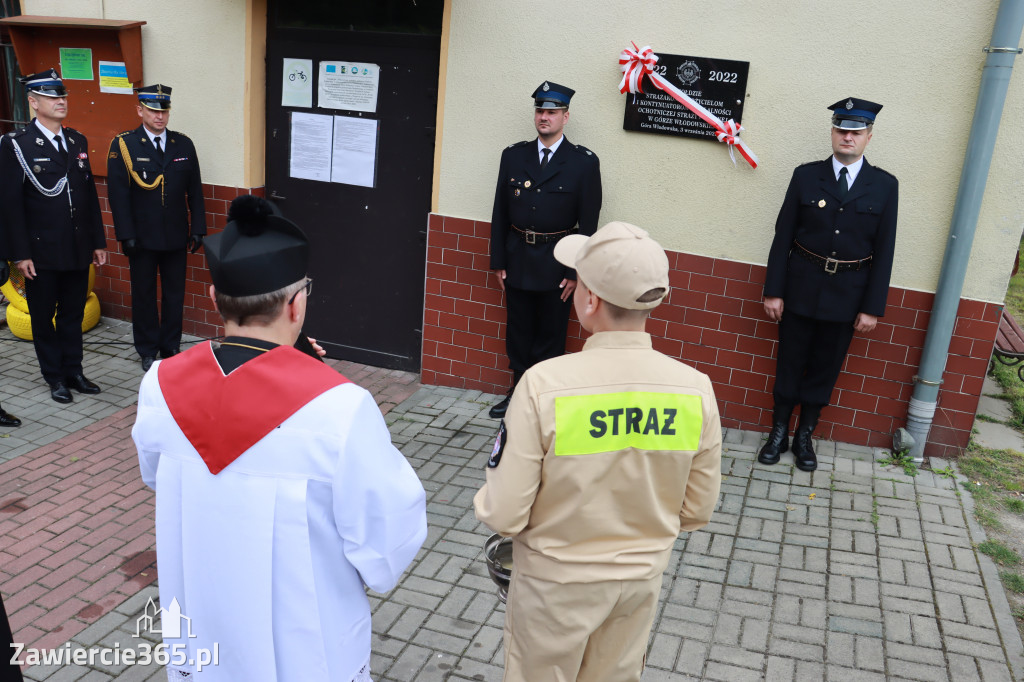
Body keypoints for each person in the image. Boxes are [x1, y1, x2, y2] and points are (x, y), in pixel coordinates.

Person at [133, 195, 427, 682]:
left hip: (201, 614)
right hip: (304, 637)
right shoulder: (339, 406)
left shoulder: (160, 384)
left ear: (213, 299)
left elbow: (154, 475)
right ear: (297, 304)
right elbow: (387, 531)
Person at [474, 221, 722, 682]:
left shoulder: (543, 385)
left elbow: (505, 513)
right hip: (638, 586)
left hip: (554, 588)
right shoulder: (696, 390)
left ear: (589, 301)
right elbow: (696, 510)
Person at [760, 97, 898, 472]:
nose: (847, 137)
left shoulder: (884, 186)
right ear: (833, 132)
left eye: (856, 132)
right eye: (841, 130)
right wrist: (774, 289)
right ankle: (778, 433)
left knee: (825, 367)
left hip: (848, 296)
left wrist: (872, 307)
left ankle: (804, 436)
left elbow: (884, 250)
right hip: (801, 286)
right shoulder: (806, 176)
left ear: (869, 135)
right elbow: (782, 235)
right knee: (789, 363)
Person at [488, 80, 602, 418]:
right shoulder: (514, 156)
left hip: (558, 262)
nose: (544, 117)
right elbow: (499, 212)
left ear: (566, 117)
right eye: (540, 110)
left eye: (552, 111)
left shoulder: (582, 162)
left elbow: (589, 224)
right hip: (519, 256)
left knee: (551, 334)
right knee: (519, 330)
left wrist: (575, 271)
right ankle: (519, 391)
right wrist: (498, 260)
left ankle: (544, 398)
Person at [0, 69, 106, 404]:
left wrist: (98, 241)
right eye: (52, 97)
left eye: (62, 96)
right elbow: (10, 205)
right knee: (44, 318)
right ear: (33, 102)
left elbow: (88, 196)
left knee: (73, 314)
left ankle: (74, 370)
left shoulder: (76, 140)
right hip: (40, 251)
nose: (61, 101)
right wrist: (20, 253)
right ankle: (54, 377)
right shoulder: (16, 145)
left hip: (76, 247)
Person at [107, 84, 206, 372]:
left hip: (176, 234)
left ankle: (170, 346)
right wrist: (126, 235)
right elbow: (118, 195)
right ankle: (148, 349)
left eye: (164, 111)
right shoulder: (124, 145)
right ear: (140, 110)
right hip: (142, 237)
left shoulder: (183, 144)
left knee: (175, 293)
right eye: (153, 110)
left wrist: (197, 227)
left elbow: (195, 192)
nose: (159, 117)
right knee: (144, 295)